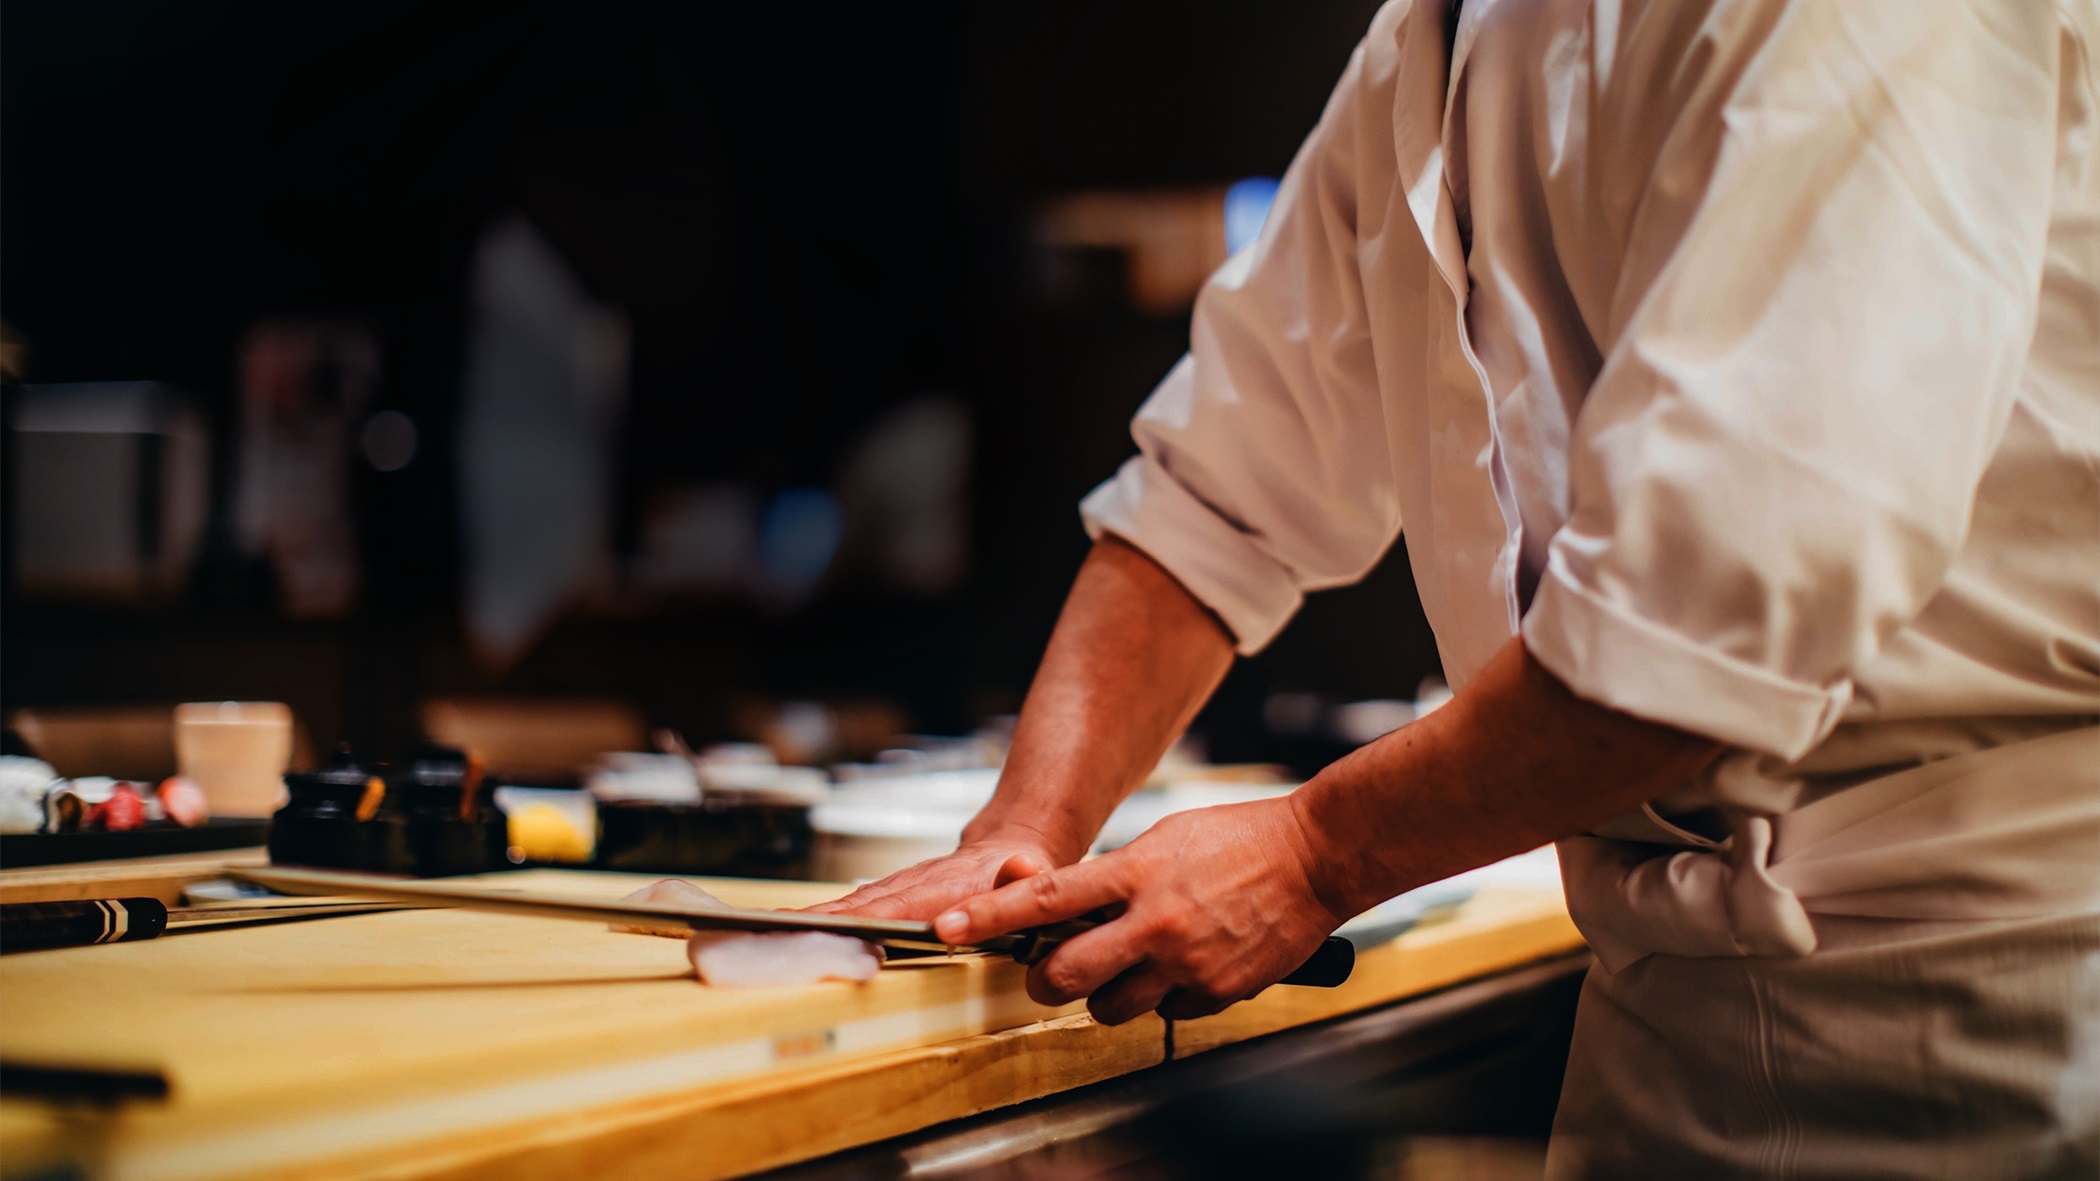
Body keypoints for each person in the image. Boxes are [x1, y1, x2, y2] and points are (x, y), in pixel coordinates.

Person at [819, 1, 2100, 1174]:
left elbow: (1706, 623)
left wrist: (1314, 852)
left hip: (1977, 1009)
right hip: (1662, 1017)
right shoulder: (1437, 36)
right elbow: (1214, 498)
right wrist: (1018, 838)